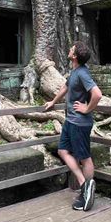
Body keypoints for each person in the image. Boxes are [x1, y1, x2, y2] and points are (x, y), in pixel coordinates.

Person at [44, 40, 102, 211]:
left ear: (75, 56)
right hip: (71, 121)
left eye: (72, 49)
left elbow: (97, 95)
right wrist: (53, 102)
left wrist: (86, 108)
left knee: (84, 157)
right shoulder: (75, 71)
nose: (69, 49)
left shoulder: (83, 73)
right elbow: (65, 87)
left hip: (80, 122)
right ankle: (85, 185)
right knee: (63, 151)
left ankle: (86, 192)